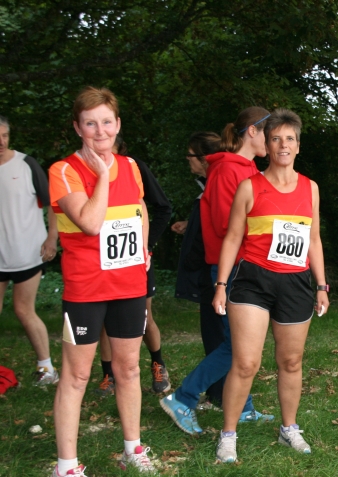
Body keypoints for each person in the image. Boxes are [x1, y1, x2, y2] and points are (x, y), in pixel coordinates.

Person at [47, 87, 155, 477]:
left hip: (129, 286)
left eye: (106, 121)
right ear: (78, 128)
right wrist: (103, 176)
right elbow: (91, 222)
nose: (100, 131)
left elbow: (140, 208)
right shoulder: (64, 170)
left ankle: (133, 450)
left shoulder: (131, 166)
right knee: (76, 376)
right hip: (86, 290)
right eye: (90, 123)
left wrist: (143, 248)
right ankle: (65, 470)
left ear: (118, 124)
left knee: (128, 369)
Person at [212, 108, 328, 463]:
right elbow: (232, 238)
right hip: (254, 281)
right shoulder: (249, 187)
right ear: (267, 143)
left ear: (298, 145)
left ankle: (288, 428)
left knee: (291, 361)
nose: (283, 145)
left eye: (289, 139)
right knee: (246, 362)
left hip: (295, 283)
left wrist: (321, 285)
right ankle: (228, 435)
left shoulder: (310, 188)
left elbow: (313, 239)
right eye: (275, 138)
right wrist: (221, 284)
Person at [161, 108, 272, 435]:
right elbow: (227, 226)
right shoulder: (225, 170)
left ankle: (243, 408)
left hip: (247, 265)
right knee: (238, 346)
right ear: (252, 131)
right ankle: (183, 398)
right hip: (232, 268)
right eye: (269, 134)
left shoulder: (248, 168)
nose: (274, 142)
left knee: (240, 344)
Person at [96, 136, 173, 396]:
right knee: (105, 318)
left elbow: (162, 207)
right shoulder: (85, 169)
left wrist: (145, 244)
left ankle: (158, 364)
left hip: (136, 256)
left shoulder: (133, 167)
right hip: (102, 258)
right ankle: (108, 375)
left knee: (144, 316)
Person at [0, 115, 59, 385]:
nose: (1, 142)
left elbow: (52, 203)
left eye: (4, 136)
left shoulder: (26, 164)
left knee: (24, 310)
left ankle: (46, 369)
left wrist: (51, 238)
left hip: (27, 254)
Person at [172, 131, 226, 408]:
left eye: (190, 155)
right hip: (210, 274)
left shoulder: (217, 184)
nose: (187, 160)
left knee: (226, 340)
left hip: (214, 273)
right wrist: (189, 225)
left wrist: (194, 261)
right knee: (220, 338)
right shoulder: (208, 185)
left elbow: (220, 228)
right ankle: (220, 395)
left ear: (205, 158)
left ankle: (200, 395)